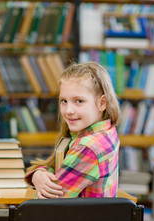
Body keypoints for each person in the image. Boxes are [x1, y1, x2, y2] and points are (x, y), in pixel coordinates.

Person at [24, 62, 120, 199]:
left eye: (79, 101)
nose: (69, 111)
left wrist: (37, 177)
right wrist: (37, 175)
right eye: (64, 101)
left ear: (102, 103)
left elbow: (49, 202)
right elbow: (59, 171)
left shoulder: (88, 147)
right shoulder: (107, 130)